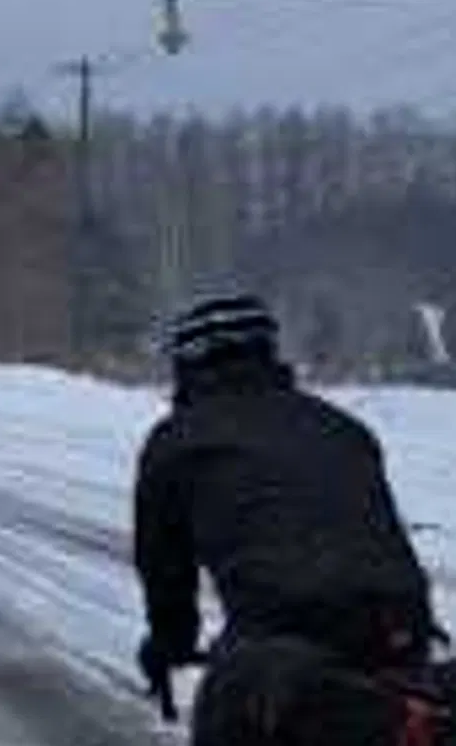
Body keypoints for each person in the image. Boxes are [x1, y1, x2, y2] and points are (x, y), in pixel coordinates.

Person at [133, 288, 435, 708]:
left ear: (189, 363)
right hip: (401, 623)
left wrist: (171, 643)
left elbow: (164, 566)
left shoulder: (176, 441)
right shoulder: (342, 427)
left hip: (284, 630)